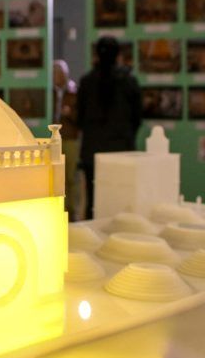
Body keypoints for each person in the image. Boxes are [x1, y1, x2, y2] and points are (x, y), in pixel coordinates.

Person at [77, 36, 142, 219]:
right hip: (121, 150)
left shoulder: (87, 82)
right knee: (122, 202)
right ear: (118, 55)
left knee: (94, 203)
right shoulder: (128, 81)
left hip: (93, 152)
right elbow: (137, 117)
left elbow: (80, 117)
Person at [53, 60, 81, 220]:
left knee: (71, 177)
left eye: (59, 73)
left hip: (70, 138)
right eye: (54, 73)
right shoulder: (50, 92)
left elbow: (81, 118)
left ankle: (73, 210)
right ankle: (60, 209)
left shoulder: (74, 92)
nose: (56, 76)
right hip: (54, 140)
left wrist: (70, 113)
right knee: (58, 177)